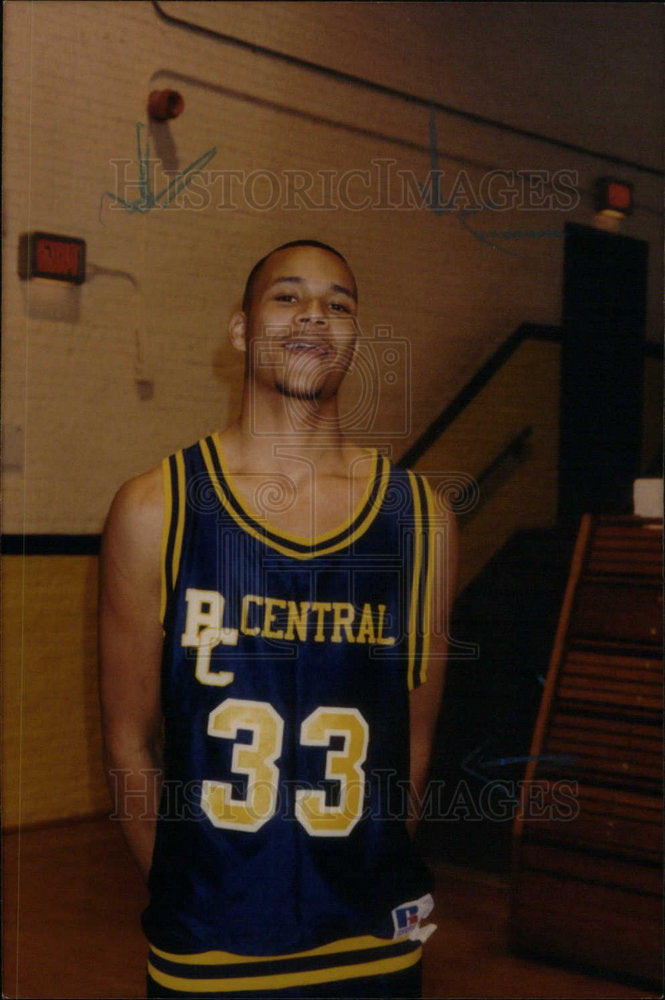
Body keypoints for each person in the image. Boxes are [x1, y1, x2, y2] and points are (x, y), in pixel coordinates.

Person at [98, 239, 457, 999]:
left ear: (354, 338)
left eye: (338, 303)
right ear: (240, 330)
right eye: (286, 296)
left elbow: (414, 736)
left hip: (371, 945)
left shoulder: (419, 518)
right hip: (210, 947)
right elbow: (129, 741)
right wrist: (184, 887)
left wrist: (366, 868)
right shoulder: (155, 507)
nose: (313, 316)